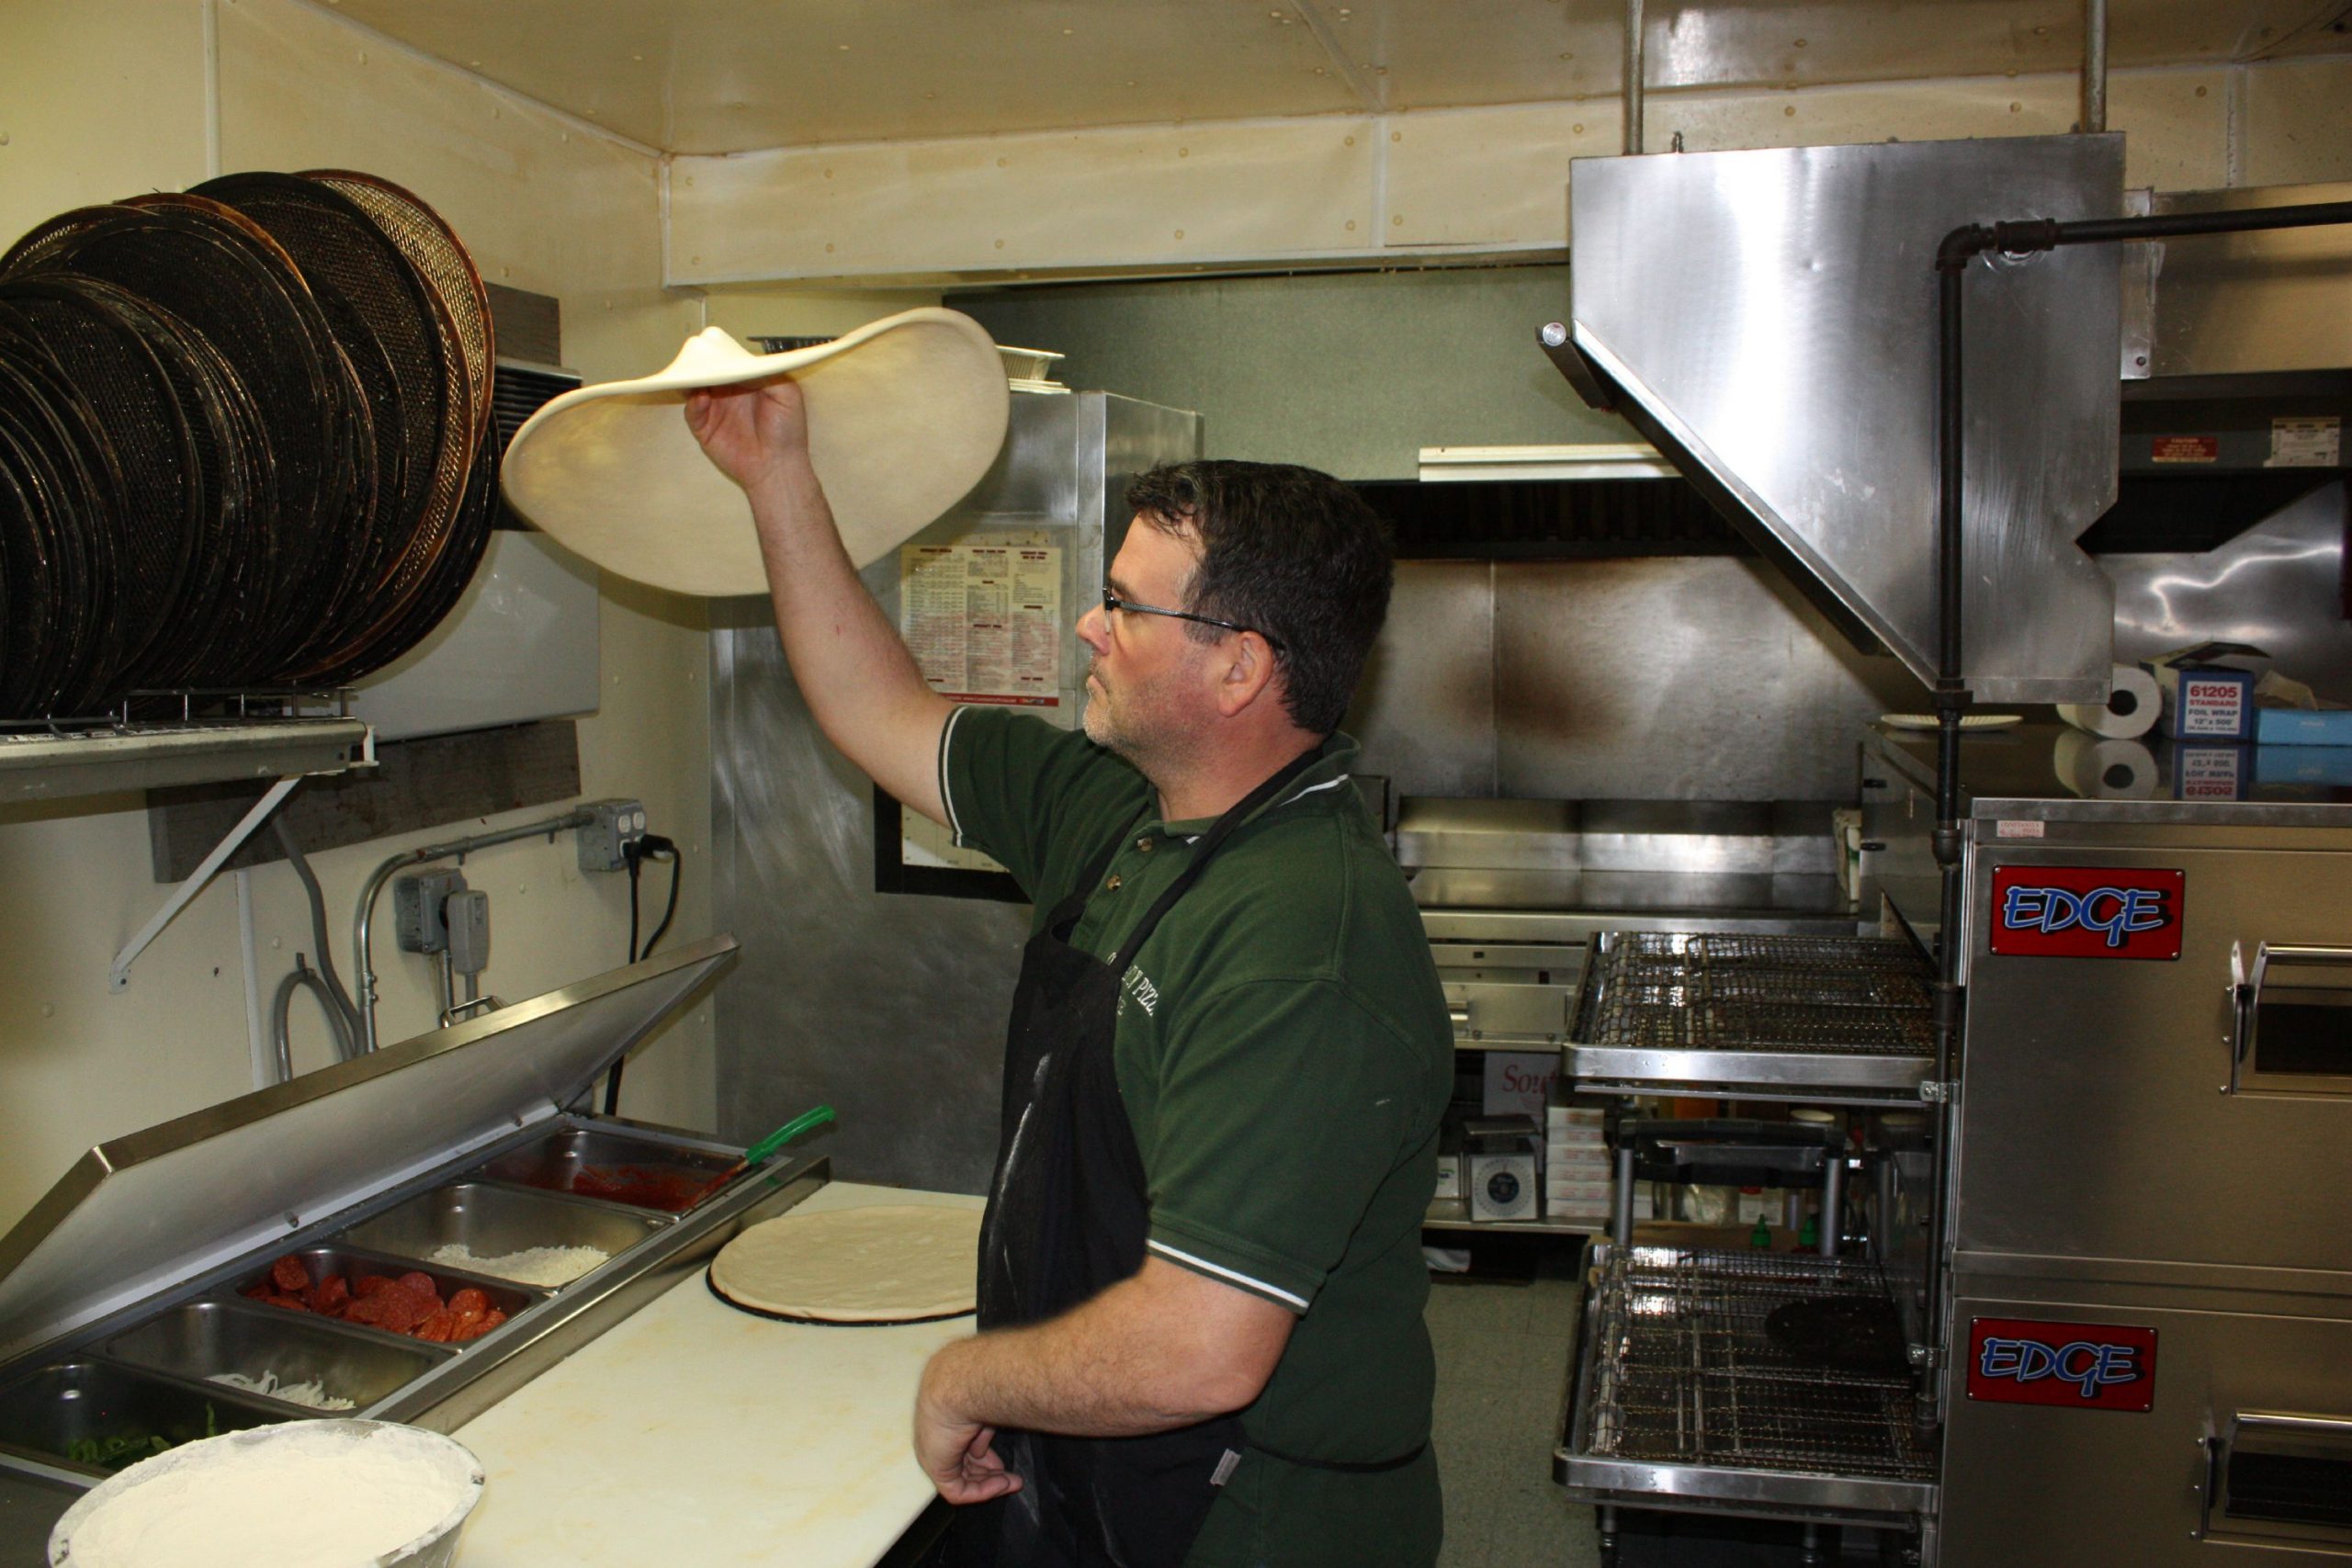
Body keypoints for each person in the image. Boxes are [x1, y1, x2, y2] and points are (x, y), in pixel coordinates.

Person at [686, 375, 1451, 1568]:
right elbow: (874, 705)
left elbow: (1200, 1347)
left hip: (1248, 1516)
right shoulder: (1126, 814)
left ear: (1239, 668)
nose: (1087, 629)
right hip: (1103, 1456)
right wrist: (776, 474)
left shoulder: (1303, 945)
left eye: (1122, 608)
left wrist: (962, 1376)